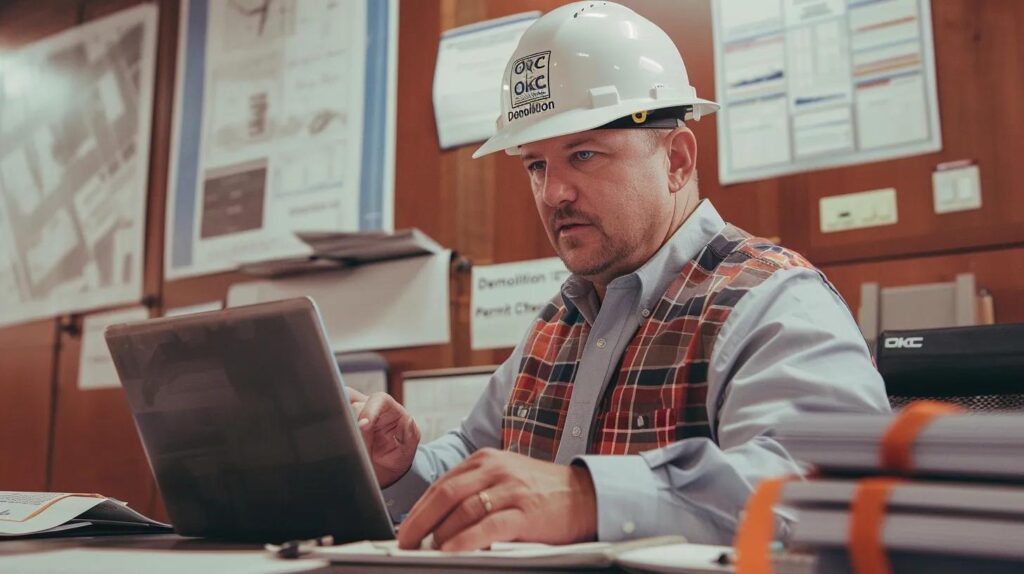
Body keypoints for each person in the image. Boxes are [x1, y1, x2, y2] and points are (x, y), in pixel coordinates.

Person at [349, 1, 890, 552]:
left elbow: (826, 495)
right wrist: (402, 465)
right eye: (536, 165)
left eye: (583, 154)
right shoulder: (557, 325)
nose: (553, 192)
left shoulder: (774, 300)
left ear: (676, 159)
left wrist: (588, 498)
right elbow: (475, 467)